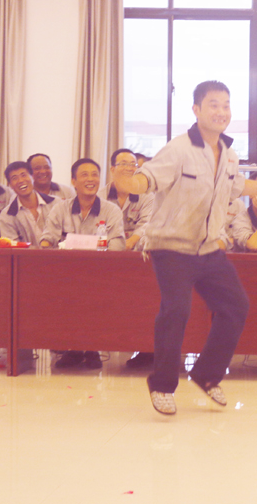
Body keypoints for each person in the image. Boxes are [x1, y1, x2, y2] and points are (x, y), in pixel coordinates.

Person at [121, 80, 257, 415]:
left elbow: (238, 186)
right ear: (196, 110)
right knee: (176, 311)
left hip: (209, 249)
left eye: (226, 105)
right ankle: (162, 385)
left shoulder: (228, 154)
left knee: (236, 306)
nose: (221, 111)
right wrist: (128, 181)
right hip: (171, 247)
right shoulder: (178, 149)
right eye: (213, 104)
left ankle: (207, 375)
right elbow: (148, 179)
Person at [40, 158, 126, 369]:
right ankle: (73, 349)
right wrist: (45, 247)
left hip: (101, 273)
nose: (91, 179)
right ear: (73, 181)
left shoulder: (111, 210)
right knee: (64, 298)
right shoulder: (60, 209)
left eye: (95, 174)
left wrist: (90, 251)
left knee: (96, 297)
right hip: (66, 273)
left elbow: (117, 244)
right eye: (84, 175)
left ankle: (93, 348)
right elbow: (47, 238)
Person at [99, 148, 155, 368]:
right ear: (112, 169)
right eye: (123, 164)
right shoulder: (100, 196)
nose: (129, 168)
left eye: (133, 164)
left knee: (141, 305)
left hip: (139, 262)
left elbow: (147, 224)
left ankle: (145, 349)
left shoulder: (147, 196)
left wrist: (129, 242)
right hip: (107, 262)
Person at [0, 161, 61, 246]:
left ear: (32, 177)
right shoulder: (6, 216)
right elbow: (13, 247)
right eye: (14, 178)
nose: (21, 181)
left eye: (24, 175)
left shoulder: (56, 204)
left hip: (58, 254)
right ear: (10, 185)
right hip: (24, 255)